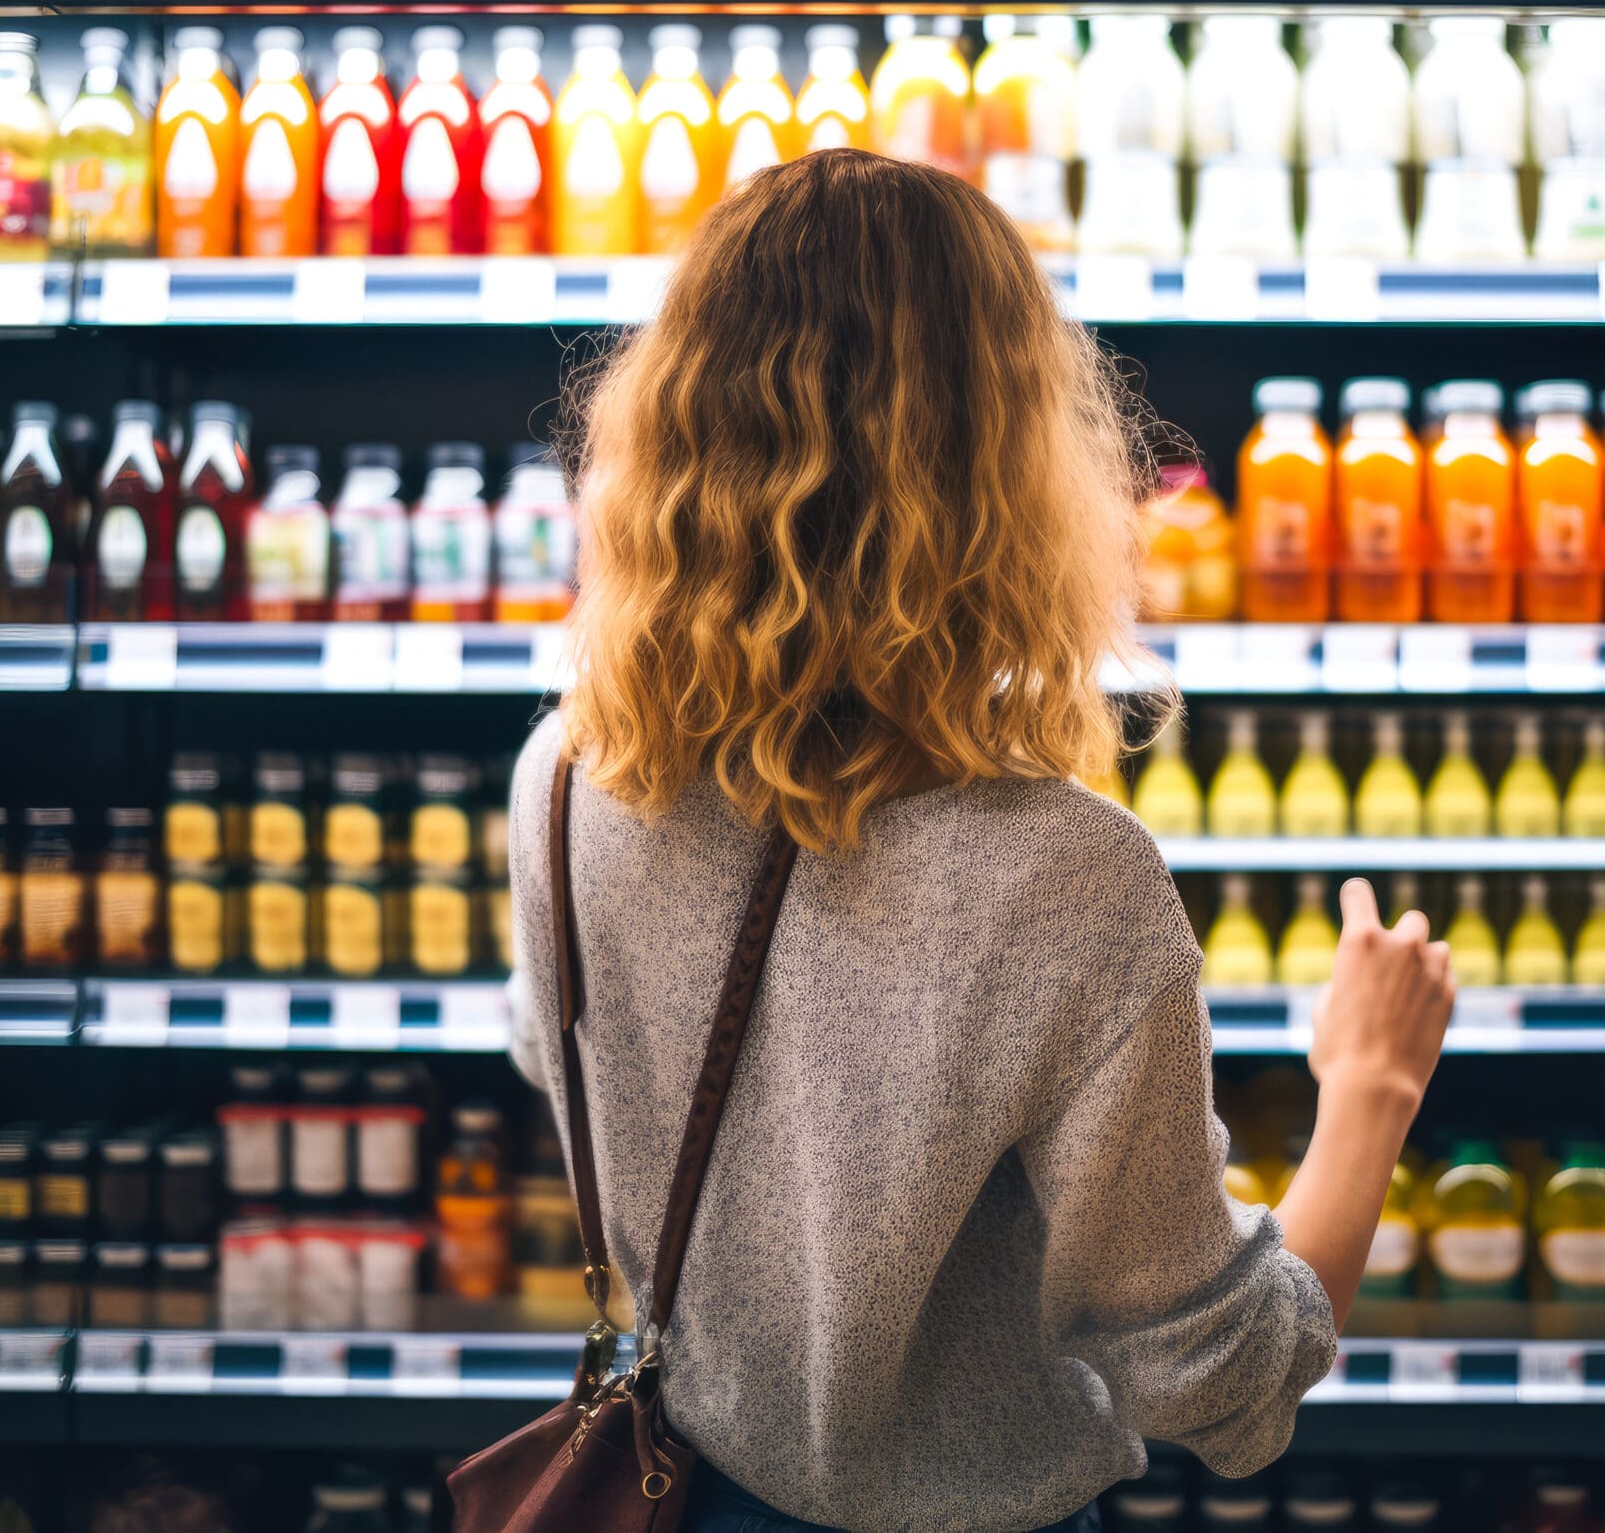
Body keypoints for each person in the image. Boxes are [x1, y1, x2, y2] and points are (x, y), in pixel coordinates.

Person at [507, 147, 1452, 1533]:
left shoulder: (564, 776)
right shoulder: (1064, 874)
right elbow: (1223, 1385)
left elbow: (567, 1063)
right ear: (1005, 464)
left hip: (673, 1485)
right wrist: (1370, 1086)